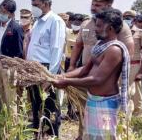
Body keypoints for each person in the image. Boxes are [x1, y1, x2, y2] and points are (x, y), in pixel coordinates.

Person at [52, 8, 130, 140]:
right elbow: (84, 69)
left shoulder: (114, 50)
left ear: (110, 28)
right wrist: (63, 76)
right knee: (92, 136)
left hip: (105, 102)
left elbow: (97, 79)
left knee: (104, 137)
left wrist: (67, 82)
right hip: (93, 99)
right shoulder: (100, 45)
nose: (96, 29)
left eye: (99, 26)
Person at [67, 0, 134, 139]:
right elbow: (78, 47)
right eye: (92, 4)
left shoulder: (118, 28)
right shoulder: (88, 24)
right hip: (88, 81)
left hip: (105, 86)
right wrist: (66, 72)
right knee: (87, 123)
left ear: (108, 5)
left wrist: (65, 80)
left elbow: (126, 54)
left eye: (97, 5)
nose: (93, 7)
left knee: (105, 133)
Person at [26, 0, 66, 137]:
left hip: (46, 69)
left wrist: (50, 77)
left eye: (35, 4)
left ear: (46, 3)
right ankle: (38, 134)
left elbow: (56, 50)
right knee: (36, 106)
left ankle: (52, 135)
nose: (33, 8)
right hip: (34, 69)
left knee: (49, 107)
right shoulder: (37, 22)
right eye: (32, 5)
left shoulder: (55, 21)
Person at [0, 0, 23, 109]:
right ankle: (4, 121)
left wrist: (12, 66)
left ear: (11, 14)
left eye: (4, 12)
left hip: (9, 65)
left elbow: (19, 51)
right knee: (1, 95)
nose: (1, 14)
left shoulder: (16, 28)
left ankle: (12, 125)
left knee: (10, 97)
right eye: (0, 11)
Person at [132, 14, 142, 113]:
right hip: (129, 65)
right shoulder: (127, 32)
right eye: (139, 22)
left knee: (138, 91)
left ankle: (139, 114)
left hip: (138, 64)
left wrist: (141, 71)